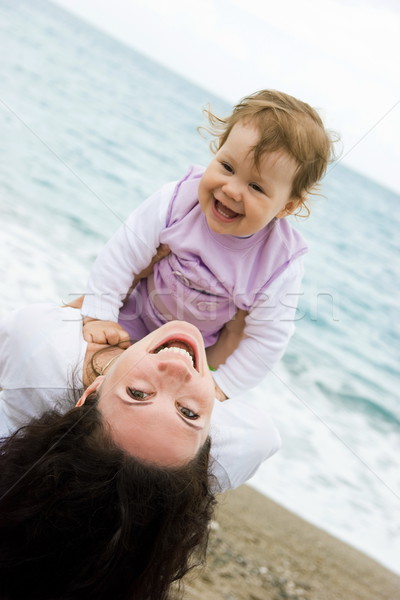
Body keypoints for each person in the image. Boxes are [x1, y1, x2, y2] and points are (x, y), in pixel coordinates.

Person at [0, 302, 281, 600]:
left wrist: (98, 322)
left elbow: (65, 313)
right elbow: (264, 436)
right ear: (208, 459)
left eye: (137, 393)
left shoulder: (40, 345)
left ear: (92, 391)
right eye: (187, 412)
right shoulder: (242, 446)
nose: (175, 369)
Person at [81, 89, 334, 401]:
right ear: (217, 150)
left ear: (287, 207)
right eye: (227, 167)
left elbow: (267, 338)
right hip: (128, 321)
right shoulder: (177, 201)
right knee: (88, 374)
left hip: (189, 358)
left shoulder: (278, 261)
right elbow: (122, 256)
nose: (232, 189)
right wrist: (101, 314)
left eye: (256, 186)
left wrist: (221, 386)